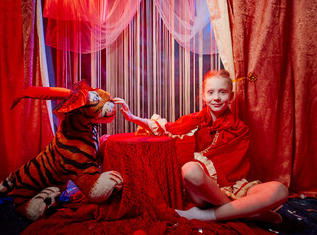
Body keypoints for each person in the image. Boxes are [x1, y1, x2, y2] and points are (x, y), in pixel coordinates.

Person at [113, 69, 289, 224]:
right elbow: (167, 129)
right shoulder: (194, 120)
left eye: (223, 92)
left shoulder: (240, 129)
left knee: (280, 190)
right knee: (190, 169)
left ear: (231, 96)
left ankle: (210, 215)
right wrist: (134, 118)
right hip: (201, 189)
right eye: (211, 92)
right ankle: (249, 213)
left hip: (232, 185)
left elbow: (234, 167)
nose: (217, 98)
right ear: (203, 96)